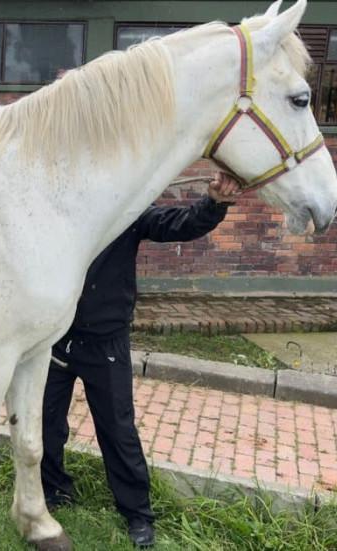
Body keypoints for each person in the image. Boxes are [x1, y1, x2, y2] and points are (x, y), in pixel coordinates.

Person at [41, 172, 242, 548]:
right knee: (45, 422)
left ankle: (137, 514)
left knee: (118, 431)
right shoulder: (60, 214)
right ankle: (53, 490)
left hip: (107, 343)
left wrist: (214, 203)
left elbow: (176, 224)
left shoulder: (127, 212)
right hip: (58, 337)